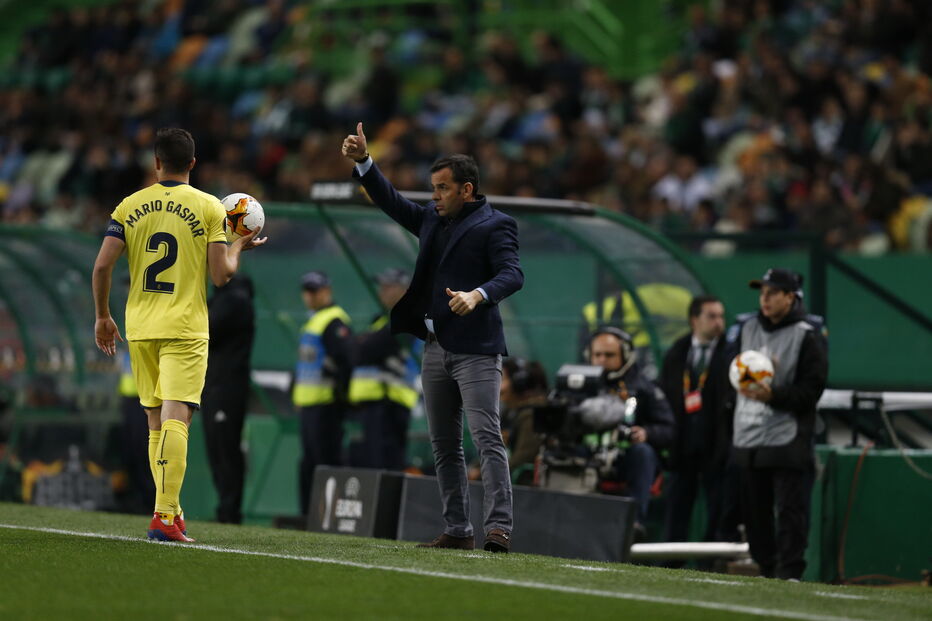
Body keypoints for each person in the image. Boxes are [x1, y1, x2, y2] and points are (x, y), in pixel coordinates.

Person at [343, 123, 524, 552]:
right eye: (433, 188)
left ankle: (498, 527)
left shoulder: (497, 225)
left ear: (467, 189)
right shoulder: (431, 218)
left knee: (486, 439)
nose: (434, 196)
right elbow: (392, 202)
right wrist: (365, 163)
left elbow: (513, 274)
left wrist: (477, 295)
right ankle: (458, 529)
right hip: (435, 347)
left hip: (477, 350)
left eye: (442, 188)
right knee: (444, 445)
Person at [92, 127, 265, 542]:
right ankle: (165, 516)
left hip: (140, 326)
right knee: (178, 416)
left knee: (155, 420)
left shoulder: (129, 206)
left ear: (155, 163)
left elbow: (101, 267)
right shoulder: (209, 207)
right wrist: (239, 245)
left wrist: (102, 317)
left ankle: (169, 510)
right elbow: (222, 275)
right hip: (185, 327)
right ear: (192, 163)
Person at [726, 268, 828, 580]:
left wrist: (773, 395)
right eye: (762, 292)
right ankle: (767, 568)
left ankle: (791, 571)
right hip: (748, 434)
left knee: (790, 510)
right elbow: (727, 373)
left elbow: (812, 391)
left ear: (790, 297)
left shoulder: (806, 336)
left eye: (773, 292)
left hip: (786, 438)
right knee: (754, 513)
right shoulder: (746, 329)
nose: (765, 299)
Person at [576, 326, 674, 535]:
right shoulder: (578, 386)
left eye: (609, 355)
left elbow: (669, 429)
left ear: (626, 355)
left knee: (643, 453)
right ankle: (564, 516)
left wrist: (647, 433)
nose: (602, 360)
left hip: (625, 458)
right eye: (597, 355)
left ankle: (634, 522)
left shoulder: (645, 389)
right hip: (587, 455)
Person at [660, 295, 731, 554]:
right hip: (683, 443)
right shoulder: (677, 352)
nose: (718, 323)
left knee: (717, 508)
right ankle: (671, 558)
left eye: (721, 316)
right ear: (694, 320)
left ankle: (710, 560)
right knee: (678, 504)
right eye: (711, 316)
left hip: (717, 444)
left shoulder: (731, 353)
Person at [292, 269, 354, 515]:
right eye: (307, 291)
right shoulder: (315, 320)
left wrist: (340, 398)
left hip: (326, 405)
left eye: (314, 291)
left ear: (327, 291)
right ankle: (310, 515)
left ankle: (326, 515)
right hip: (309, 404)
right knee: (309, 463)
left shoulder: (334, 321)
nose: (309, 296)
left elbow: (346, 362)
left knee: (325, 463)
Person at [348, 268, 421, 470]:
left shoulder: (406, 317)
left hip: (390, 403)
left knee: (385, 466)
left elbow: (366, 350)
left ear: (405, 290)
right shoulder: (381, 319)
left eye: (389, 287)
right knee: (372, 464)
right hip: (374, 403)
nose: (382, 291)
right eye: (382, 287)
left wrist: (362, 343)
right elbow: (357, 351)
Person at [201, 273, 255, 524]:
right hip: (215, 387)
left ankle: (229, 511)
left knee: (225, 449)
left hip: (226, 388)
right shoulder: (224, 298)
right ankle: (225, 508)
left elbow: (204, 329)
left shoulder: (235, 300)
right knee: (217, 449)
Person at [499, 358, 548, 485]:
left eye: (502, 379)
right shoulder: (509, 412)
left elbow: (522, 458)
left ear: (518, 383)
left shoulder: (531, 414)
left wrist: (485, 474)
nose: (496, 386)